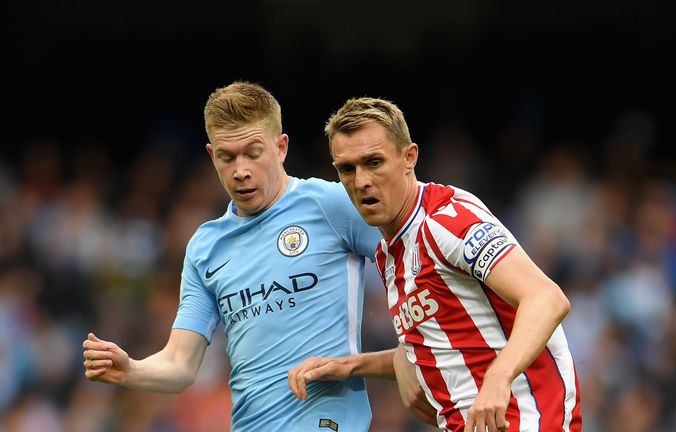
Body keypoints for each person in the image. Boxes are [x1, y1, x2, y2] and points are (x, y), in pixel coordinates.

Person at [82, 81, 406, 431]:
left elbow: (418, 257)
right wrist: (131, 368)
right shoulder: (206, 247)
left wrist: (410, 357)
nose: (240, 170)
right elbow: (180, 363)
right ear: (211, 156)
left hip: (329, 421)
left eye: (253, 153)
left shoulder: (330, 205)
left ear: (281, 147)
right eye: (227, 156)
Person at [290, 97, 582, 432]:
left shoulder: (447, 221)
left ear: (408, 157)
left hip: (526, 420)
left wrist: (498, 378)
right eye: (347, 168)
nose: (361, 181)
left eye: (374, 162)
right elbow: (443, 348)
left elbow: (547, 298)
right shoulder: (389, 253)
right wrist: (349, 367)